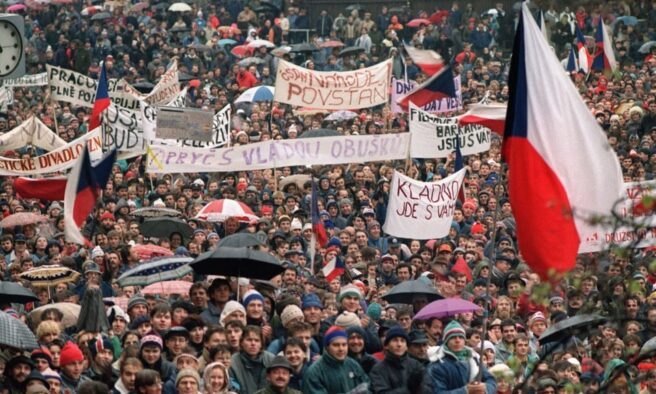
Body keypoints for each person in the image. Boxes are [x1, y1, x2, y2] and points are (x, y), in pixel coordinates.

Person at [427, 321, 496, 393]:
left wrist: (484, 389)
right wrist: (465, 391)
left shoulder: (474, 358)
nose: (457, 340)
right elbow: (438, 392)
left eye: (460, 337)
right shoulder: (437, 365)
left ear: (464, 340)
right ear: (446, 341)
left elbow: (491, 380)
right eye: (453, 337)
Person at [303, 326, 370, 393]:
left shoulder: (352, 364)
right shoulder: (314, 372)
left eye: (344, 345)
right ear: (327, 347)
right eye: (336, 345)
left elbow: (366, 384)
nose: (341, 349)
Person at [369, 326, 432, 393]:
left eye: (402, 341)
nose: (399, 344)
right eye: (395, 340)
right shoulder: (378, 369)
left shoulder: (416, 366)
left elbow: (428, 388)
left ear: (406, 347)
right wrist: (408, 389)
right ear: (386, 346)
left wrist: (418, 389)